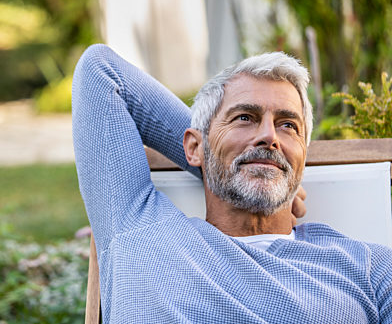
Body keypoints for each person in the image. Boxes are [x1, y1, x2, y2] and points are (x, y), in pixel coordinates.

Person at [71, 44, 392, 323]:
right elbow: (101, 72)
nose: (269, 136)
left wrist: (252, 166)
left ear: (303, 158)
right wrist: (218, 165)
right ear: (194, 147)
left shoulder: (370, 269)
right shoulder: (138, 229)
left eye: (287, 125)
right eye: (244, 118)